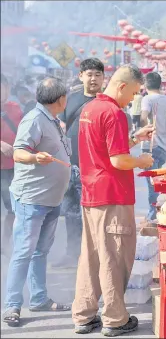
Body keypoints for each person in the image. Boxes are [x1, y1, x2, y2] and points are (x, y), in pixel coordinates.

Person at [72, 65, 155, 337]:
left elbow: (104, 148)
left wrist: (133, 138)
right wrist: (141, 160)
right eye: (132, 93)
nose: (132, 100)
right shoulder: (114, 113)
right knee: (114, 256)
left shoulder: (91, 109)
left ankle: (84, 314)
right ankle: (115, 318)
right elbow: (118, 160)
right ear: (121, 86)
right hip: (112, 195)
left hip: (92, 193)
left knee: (92, 255)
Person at [3, 77, 71, 326]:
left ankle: (39, 298)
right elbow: (19, 151)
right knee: (24, 251)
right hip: (32, 198)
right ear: (61, 99)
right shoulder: (33, 119)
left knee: (41, 250)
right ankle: (12, 304)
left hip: (51, 197)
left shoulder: (51, 119)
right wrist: (34, 158)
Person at [55, 58, 105, 268]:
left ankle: (94, 254)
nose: (93, 79)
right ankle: (72, 252)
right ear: (81, 76)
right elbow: (60, 129)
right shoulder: (70, 100)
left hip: (97, 168)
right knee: (72, 212)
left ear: (103, 78)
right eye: (89, 74)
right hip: (72, 165)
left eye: (97, 75)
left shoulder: (108, 102)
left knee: (96, 213)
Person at [139, 72, 166, 223]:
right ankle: (158, 212)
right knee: (157, 181)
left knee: (151, 183)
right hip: (163, 146)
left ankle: (153, 215)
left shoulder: (147, 99)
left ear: (146, 85)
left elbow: (143, 117)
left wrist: (143, 131)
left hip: (150, 146)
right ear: (160, 84)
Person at [1, 74, 23, 253]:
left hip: (11, 168)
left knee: (12, 208)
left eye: (4, 87)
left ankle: (5, 244)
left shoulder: (15, 108)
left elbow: (24, 132)